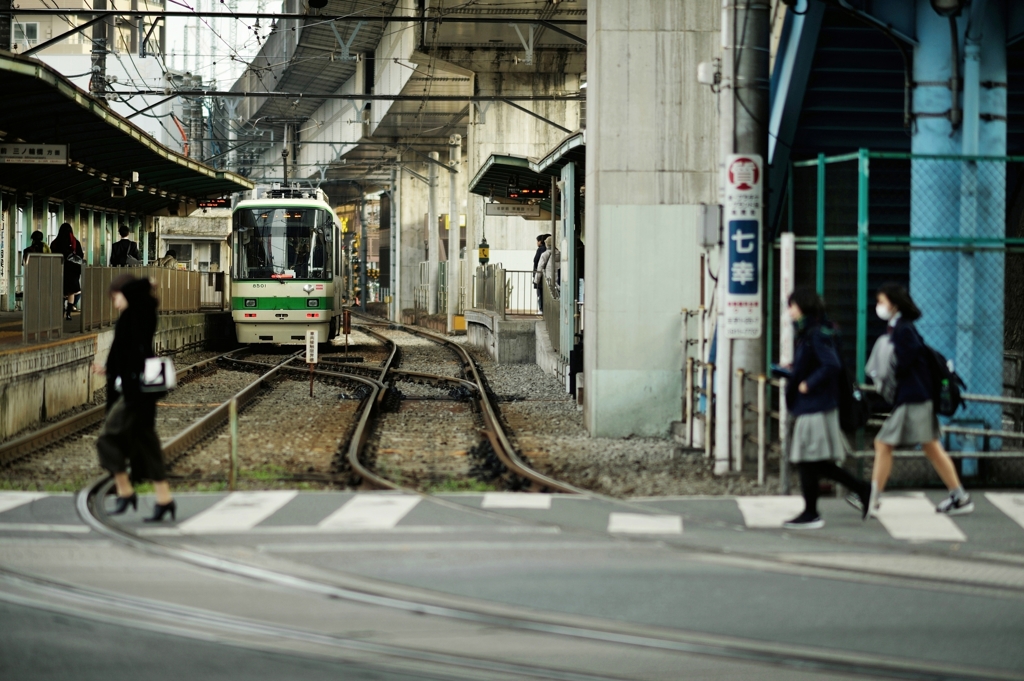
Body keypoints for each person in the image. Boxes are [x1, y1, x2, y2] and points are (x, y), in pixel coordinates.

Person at [868, 283, 973, 515]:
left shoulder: (903, 330)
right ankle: (960, 497)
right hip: (916, 396)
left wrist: (890, 363)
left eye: (882, 302)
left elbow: (906, 360)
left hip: (914, 397)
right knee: (931, 448)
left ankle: (872, 499)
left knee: (883, 443)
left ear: (894, 306)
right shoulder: (901, 328)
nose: (878, 307)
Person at [781, 288, 871, 529]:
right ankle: (861, 489)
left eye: (792, 306)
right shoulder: (814, 331)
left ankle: (812, 513)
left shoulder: (815, 333)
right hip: (816, 404)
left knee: (807, 460)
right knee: (814, 462)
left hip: (816, 406)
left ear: (802, 307)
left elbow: (831, 364)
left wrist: (807, 384)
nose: (789, 311)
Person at [92, 274, 176, 522]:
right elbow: (127, 354)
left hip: (134, 392)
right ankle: (164, 500)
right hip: (136, 389)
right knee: (146, 443)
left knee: (107, 440)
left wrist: (145, 285)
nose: (115, 304)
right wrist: (109, 369)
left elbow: (131, 354)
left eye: (116, 297)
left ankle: (125, 491)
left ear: (127, 294)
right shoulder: (136, 316)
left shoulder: (139, 314)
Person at [50, 223, 84, 320]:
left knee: (60, 291)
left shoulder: (55, 243)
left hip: (59, 269)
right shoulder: (75, 242)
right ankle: (69, 313)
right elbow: (80, 256)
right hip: (72, 271)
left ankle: (61, 312)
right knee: (71, 292)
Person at [532, 234, 549, 312]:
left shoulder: (540, 250)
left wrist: (536, 276)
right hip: (548, 275)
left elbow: (536, 261)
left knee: (540, 294)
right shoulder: (553, 250)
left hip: (540, 275)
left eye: (537, 241)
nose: (537, 243)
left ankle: (541, 309)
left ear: (540, 241)